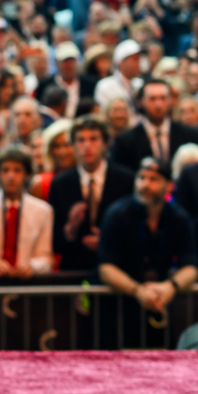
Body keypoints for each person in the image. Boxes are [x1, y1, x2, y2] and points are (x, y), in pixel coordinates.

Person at [97, 157, 198, 325]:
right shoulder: (117, 214)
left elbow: (191, 267)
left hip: (160, 299)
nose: (145, 184)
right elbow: (106, 268)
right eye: (141, 178)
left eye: (154, 179)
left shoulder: (180, 218)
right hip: (120, 304)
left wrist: (170, 287)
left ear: (169, 186)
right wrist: (138, 291)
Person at [45, 116, 118, 281]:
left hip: (115, 271)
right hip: (73, 271)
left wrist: (106, 241)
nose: (87, 146)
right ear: (73, 146)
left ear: (105, 144)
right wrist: (69, 229)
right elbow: (53, 239)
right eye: (80, 140)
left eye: (93, 139)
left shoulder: (124, 179)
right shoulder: (60, 183)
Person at [0, 146, 55, 276]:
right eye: (5, 170)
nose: (11, 176)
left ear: (27, 174)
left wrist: (32, 267)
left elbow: (45, 256)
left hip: (27, 285)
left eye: (17, 170)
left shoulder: (43, 211)